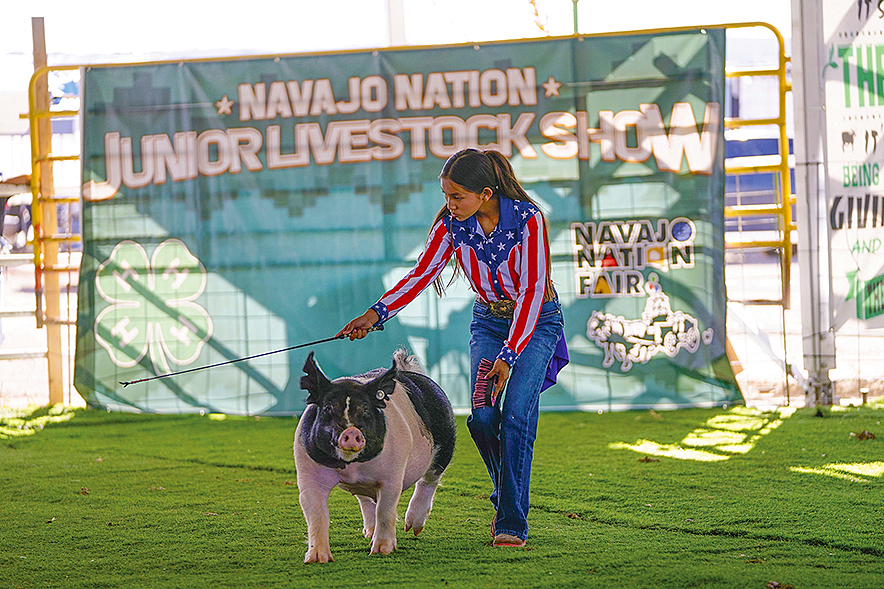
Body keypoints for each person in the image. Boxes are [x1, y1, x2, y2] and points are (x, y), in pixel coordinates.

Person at [337, 148, 567, 548]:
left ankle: (511, 520)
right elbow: (422, 273)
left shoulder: (529, 220)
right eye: (446, 196)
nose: (450, 205)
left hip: (535, 324)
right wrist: (376, 315)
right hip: (489, 322)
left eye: (457, 196)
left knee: (515, 418)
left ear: (486, 193)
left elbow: (531, 292)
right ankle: (508, 492)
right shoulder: (452, 224)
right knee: (481, 419)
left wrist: (508, 357)